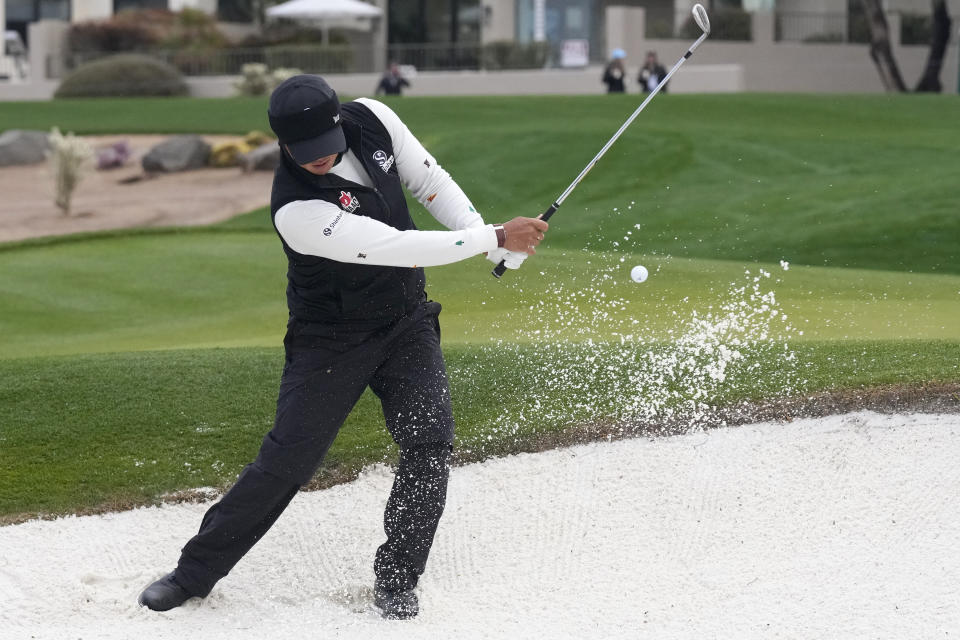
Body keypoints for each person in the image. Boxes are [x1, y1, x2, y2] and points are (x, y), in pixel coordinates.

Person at [137, 74, 547, 620]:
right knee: (289, 460)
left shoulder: (374, 119)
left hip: (406, 320)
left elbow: (431, 184)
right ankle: (193, 574)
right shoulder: (296, 211)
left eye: (326, 147)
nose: (319, 160)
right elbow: (392, 246)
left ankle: (398, 578)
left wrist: (481, 237)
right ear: (282, 144)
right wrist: (494, 237)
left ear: (339, 125)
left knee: (429, 441)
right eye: (303, 153)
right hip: (331, 338)